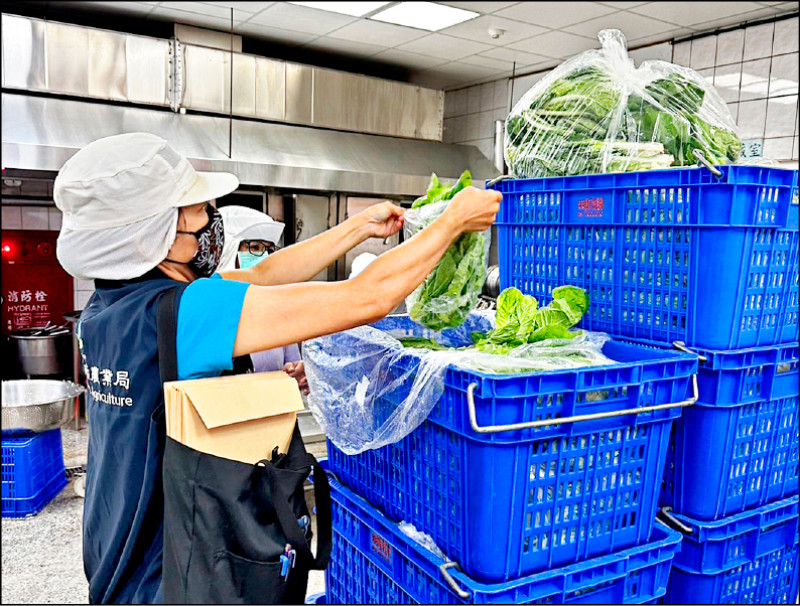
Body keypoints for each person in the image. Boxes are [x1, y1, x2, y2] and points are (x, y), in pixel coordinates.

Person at [55, 132, 501, 604]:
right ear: (153, 235)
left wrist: (358, 228)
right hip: (173, 564)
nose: (211, 221)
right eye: (197, 212)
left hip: (119, 543)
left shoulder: (109, 308)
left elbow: (262, 275)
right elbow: (368, 298)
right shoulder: (191, 311)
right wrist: (452, 222)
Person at [218, 206, 305, 391]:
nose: (263, 257)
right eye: (255, 247)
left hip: (274, 410)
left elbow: (293, 362)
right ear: (230, 249)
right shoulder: (212, 308)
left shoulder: (276, 306)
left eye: (269, 250)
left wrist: (295, 372)